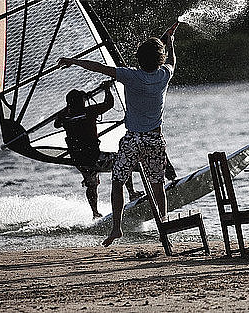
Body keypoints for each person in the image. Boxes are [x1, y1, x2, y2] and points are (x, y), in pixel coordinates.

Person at [58, 33, 176, 247]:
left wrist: (72, 61)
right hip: (155, 139)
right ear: (161, 59)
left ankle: (116, 228)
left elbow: (97, 67)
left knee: (117, 181)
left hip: (133, 140)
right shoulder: (164, 75)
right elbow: (172, 60)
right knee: (158, 185)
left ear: (138, 58)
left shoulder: (129, 75)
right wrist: (171, 42)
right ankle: (164, 226)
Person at [54, 82, 144, 218]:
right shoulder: (89, 112)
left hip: (80, 162)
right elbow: (109, 104)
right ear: (80, 102)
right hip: (95, 158)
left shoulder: (66, 118)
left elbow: (56, 123)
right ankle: (132, 193)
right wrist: (107, 89)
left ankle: (95, 213)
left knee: (91, 185)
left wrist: (69, 106)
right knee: (124, 161)